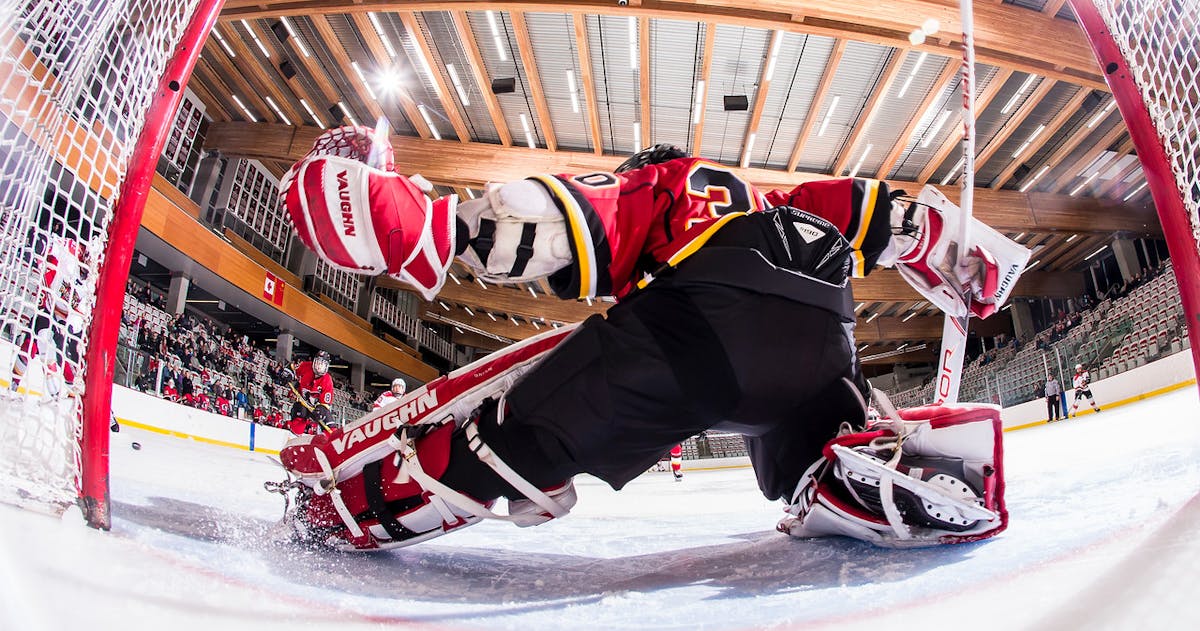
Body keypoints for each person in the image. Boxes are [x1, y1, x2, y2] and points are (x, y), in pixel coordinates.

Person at [273, 129, 1028, 551]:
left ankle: (357, 510)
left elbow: (570, 219)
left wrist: (442, 227)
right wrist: (941, 242)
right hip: (827, 340)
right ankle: (860, 466)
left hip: (701, 333)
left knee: (509, 435)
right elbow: (869, 216)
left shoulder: (665, 184)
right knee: (807, 448)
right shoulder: (771, 199)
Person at [288, 350, 334, 435]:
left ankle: (334, 440)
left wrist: (320, 410)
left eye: (322, 364)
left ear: (326, 366)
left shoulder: (327, 380)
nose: (319, 366)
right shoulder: (305, 366)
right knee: (300, 414)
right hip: (303, 402)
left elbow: (325, 403)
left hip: (316, 408)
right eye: (317, 363)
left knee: (328, 423)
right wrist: (287, 373)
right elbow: (292, 367)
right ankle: (294, 436)